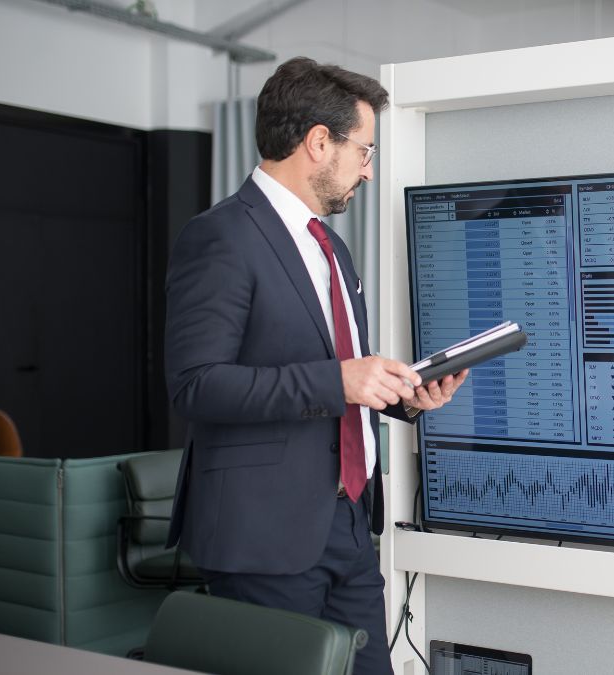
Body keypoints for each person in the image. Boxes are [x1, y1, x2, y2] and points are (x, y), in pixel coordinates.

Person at [164, 56, 466, 675]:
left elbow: (337, 378)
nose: (370, 170)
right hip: (264, 537)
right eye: (365, 151)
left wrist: (405, 396)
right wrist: (340, 380)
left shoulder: (330, 246)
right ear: (319, 142)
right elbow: (196, 385)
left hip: (349, 523)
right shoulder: (221, 236)